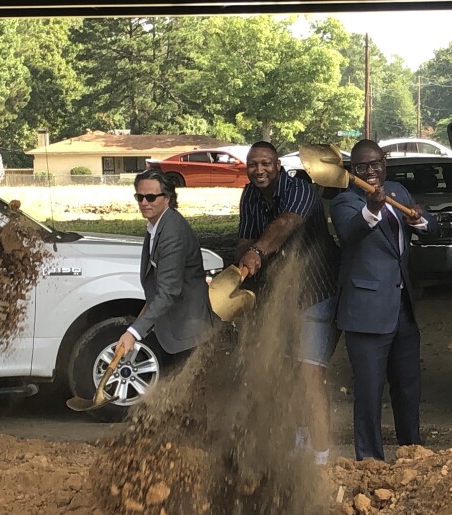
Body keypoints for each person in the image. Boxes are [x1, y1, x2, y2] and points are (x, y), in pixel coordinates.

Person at [329, 139, 440, 461]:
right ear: (353, 171)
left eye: (376, 164)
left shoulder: (398, 192)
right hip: (366, 314)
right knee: (369, 394)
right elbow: (350, 233)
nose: (370, 172)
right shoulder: (345, 202)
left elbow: (432, 228)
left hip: (402, 310)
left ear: (385, 163)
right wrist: (373, 209)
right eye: (362, 167)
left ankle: (412, 455)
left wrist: (419, 220)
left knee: (408, 390)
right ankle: (370, 462)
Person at [236, 141, 341, 466]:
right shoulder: (250, 196)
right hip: (279, 299)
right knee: (287, 374)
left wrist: (257, 253)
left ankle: (321, 458)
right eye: (253, 164)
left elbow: (284, 225)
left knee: (309, 376)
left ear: (278, 165)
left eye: (266, 163)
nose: (259, 170)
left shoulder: (300, 191)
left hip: (315, 294)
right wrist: (238, 273)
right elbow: (243, 239)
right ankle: (298, 446)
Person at [116, 169, 214, 372]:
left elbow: (168, 291)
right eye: (140, 197)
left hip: (187, 330)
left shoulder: (172, 233)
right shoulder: (157, 225)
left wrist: (134, 333)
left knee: (187, 392)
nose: (144, 202)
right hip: (175, 326)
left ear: (167, 198)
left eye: (151, 197)